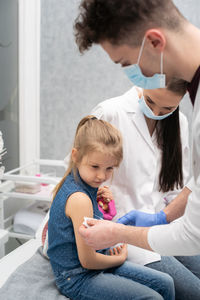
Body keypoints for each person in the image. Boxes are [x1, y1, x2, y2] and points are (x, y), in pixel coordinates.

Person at [75, 0, 200, 256]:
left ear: (154, 42)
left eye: (127, 63)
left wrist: (121, 232)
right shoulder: (110, 112)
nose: (132, 75)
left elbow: (192, 235)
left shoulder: (187, 120)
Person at [90, 81, 200, 299]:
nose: (156, 112)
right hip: (119, 230)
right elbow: (79, 174)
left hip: (161, 225)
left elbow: (188, 185)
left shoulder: (181, 122)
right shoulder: (110, 113)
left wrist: (161, 218)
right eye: (150, 102)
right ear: (143, 79)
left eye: (167, 109)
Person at [47, 115, 175, 300]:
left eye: (109, 168)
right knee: (152, 297)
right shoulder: (79, 199)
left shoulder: (85, 187)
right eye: (95, 166)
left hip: (91, 265)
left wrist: (99, 205)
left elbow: (90, 230)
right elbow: (88, 261)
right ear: (75, 156)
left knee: (166, 283)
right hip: (76, 276)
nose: (101, 176)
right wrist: (119, 258)